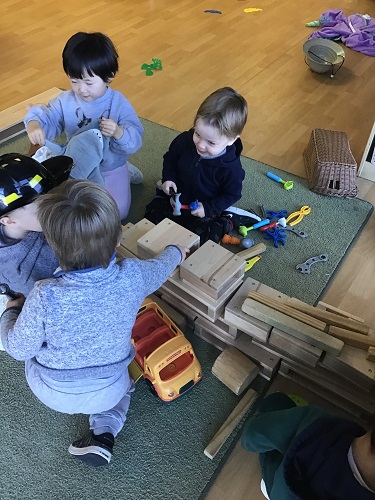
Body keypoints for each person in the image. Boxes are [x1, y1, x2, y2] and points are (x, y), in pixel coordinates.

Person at [0, 179, 189, 467]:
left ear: (52, 244)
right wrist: (176, 252)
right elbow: (161, 268)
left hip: (52, 391)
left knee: (33, 341)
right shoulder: (134, 275)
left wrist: (11, 312)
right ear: (118, 239)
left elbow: (18, 349)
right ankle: (105, 432)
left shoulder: (43, 293)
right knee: (123, 388)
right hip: (108, 388)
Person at [24, 31, 144, 219]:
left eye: (88, 82)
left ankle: (125, 170)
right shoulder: (65, 100)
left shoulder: (118, 103)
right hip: (78, 160)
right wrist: (34, 123)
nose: (81, 89)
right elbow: (49, 118)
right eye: (74, 81)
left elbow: (135, 138)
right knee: (62, 205)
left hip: (110, 166)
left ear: (109, 76)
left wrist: (119, 133)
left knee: (117, 212)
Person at [144, 87, 260, 244]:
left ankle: (228, 219)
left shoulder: (232, 169)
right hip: (177, 197)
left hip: (205, 206)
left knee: (201, 239)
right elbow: (170, 159)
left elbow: (232, 194)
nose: (201, 145)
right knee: (150, 219)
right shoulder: (184, 141)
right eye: (197, 134)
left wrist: (208, 208)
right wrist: (168, 179)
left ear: (232, 139)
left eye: (211, 142)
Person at [241, 392, 375, 499]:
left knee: (276, 401)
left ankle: (269, 486)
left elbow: (251, 435)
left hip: (281, 488)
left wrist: (246, 440)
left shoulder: (319, 425)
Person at [0, 152, 72, 297]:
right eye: (43, 208)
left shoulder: (24, 221)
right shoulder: (26, 275)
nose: (56, 208)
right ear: (9, 221)